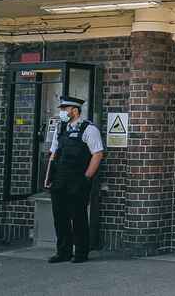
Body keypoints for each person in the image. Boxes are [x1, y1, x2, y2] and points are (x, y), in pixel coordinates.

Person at [43, 96, 104, 263]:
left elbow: (97, 154)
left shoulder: (89, 129)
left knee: (78, 217)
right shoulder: (61, 128)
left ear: (75, 110)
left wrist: (86, 178)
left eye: (65, 109)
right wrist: (48, 176)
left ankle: (81, 253)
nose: (62, 112)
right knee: (60, 217)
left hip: (78, 179)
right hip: (60, 178)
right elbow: (53, 153)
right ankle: (63, 251)